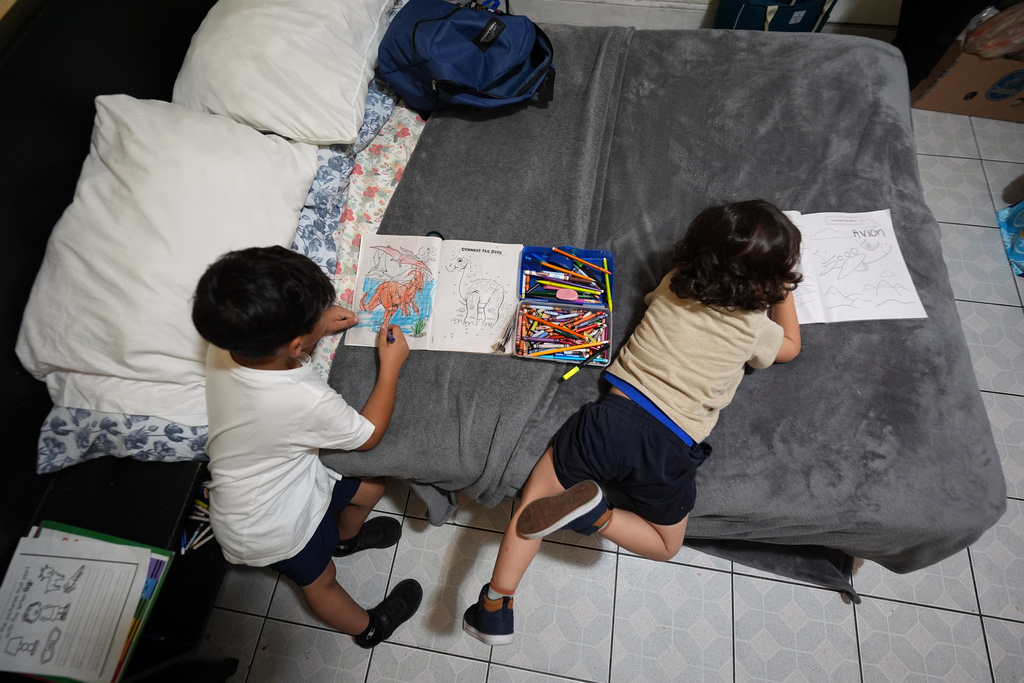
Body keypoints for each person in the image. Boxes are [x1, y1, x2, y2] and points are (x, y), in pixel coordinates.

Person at [463, 200, 803, 645]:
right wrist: (783, 294)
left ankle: (495, 605)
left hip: (612, 417)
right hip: (671, 446)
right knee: (666, 545)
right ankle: (600, 516)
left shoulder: (674, 284)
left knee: (536, 499)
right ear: (768, 285)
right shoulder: (756, 327)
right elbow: (792, 347)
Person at [192, 245, 422, 649]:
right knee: (321, 581)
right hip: (269, 527)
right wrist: (390, 368)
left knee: (371, 487)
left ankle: (345, 539)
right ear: (296, 345)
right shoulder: (301, 397)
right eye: (317, 316)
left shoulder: (227, 341)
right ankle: (367, 628)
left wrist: (316, 326)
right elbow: (368, 434)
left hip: (284, 480)